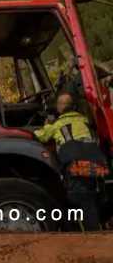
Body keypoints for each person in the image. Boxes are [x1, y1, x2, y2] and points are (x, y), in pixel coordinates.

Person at [34, 92, 109, 230]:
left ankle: (93, 236)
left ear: (60, 107)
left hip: (76, 164)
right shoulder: (85, 120)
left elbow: (41, 136)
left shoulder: (57, 124)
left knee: (81, 199)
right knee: (92, 196)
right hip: (96, 163)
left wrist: (44, 125)